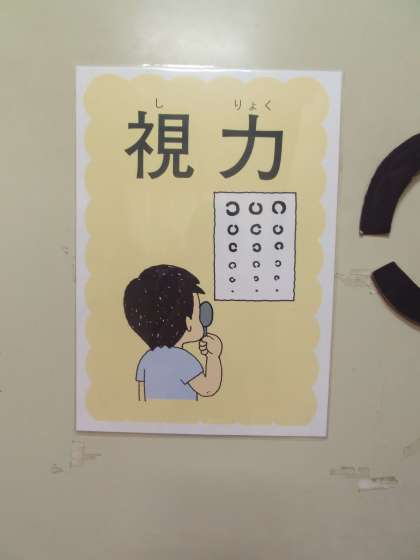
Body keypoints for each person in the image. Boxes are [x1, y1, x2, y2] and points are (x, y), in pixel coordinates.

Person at [123, 264, 223, 401]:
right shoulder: (184, 360)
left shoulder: (146, 359)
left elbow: (142, 397)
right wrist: (213, 356)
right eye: (198, 312)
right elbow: (208, 388)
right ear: (188, 322)